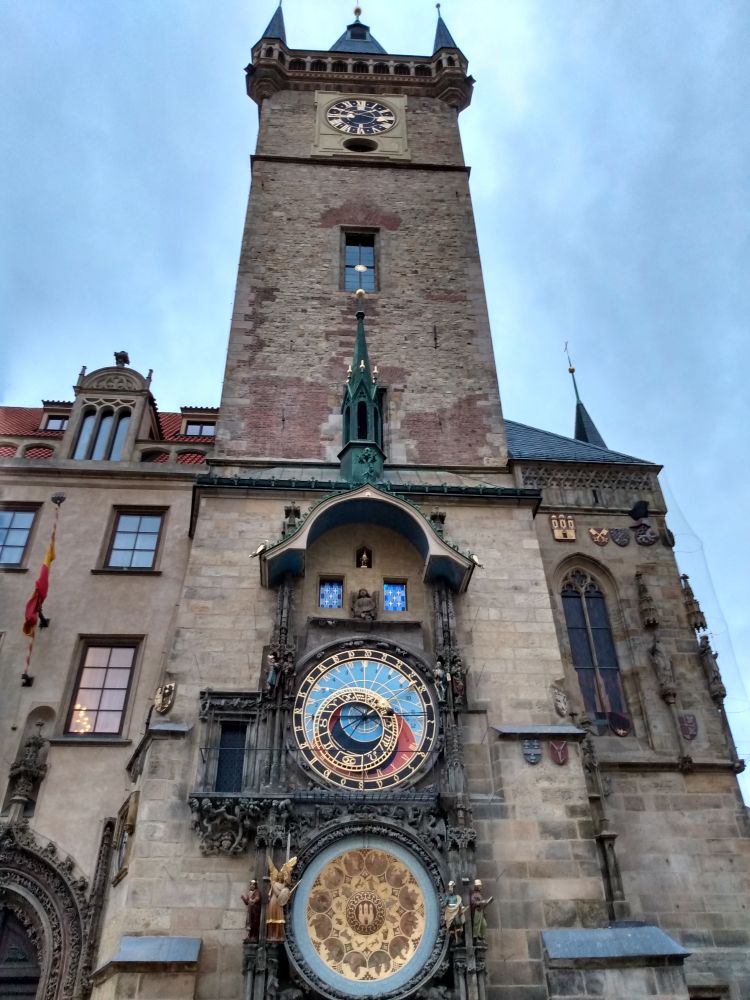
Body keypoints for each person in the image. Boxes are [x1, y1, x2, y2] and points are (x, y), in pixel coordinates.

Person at [266, 855, 297, 941]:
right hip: (273, 901)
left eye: (281, 876)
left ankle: (278, 935)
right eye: (278, 875)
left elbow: (288, 883)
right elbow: (276, 893)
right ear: (276, 876)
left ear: (283, 877)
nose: (279, 876)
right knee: (271, 918)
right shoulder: (274, 883)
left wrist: (288, 872)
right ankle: (270, 935)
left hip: (279, 902)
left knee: (279, 919)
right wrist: (272, 884)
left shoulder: (283, 885)